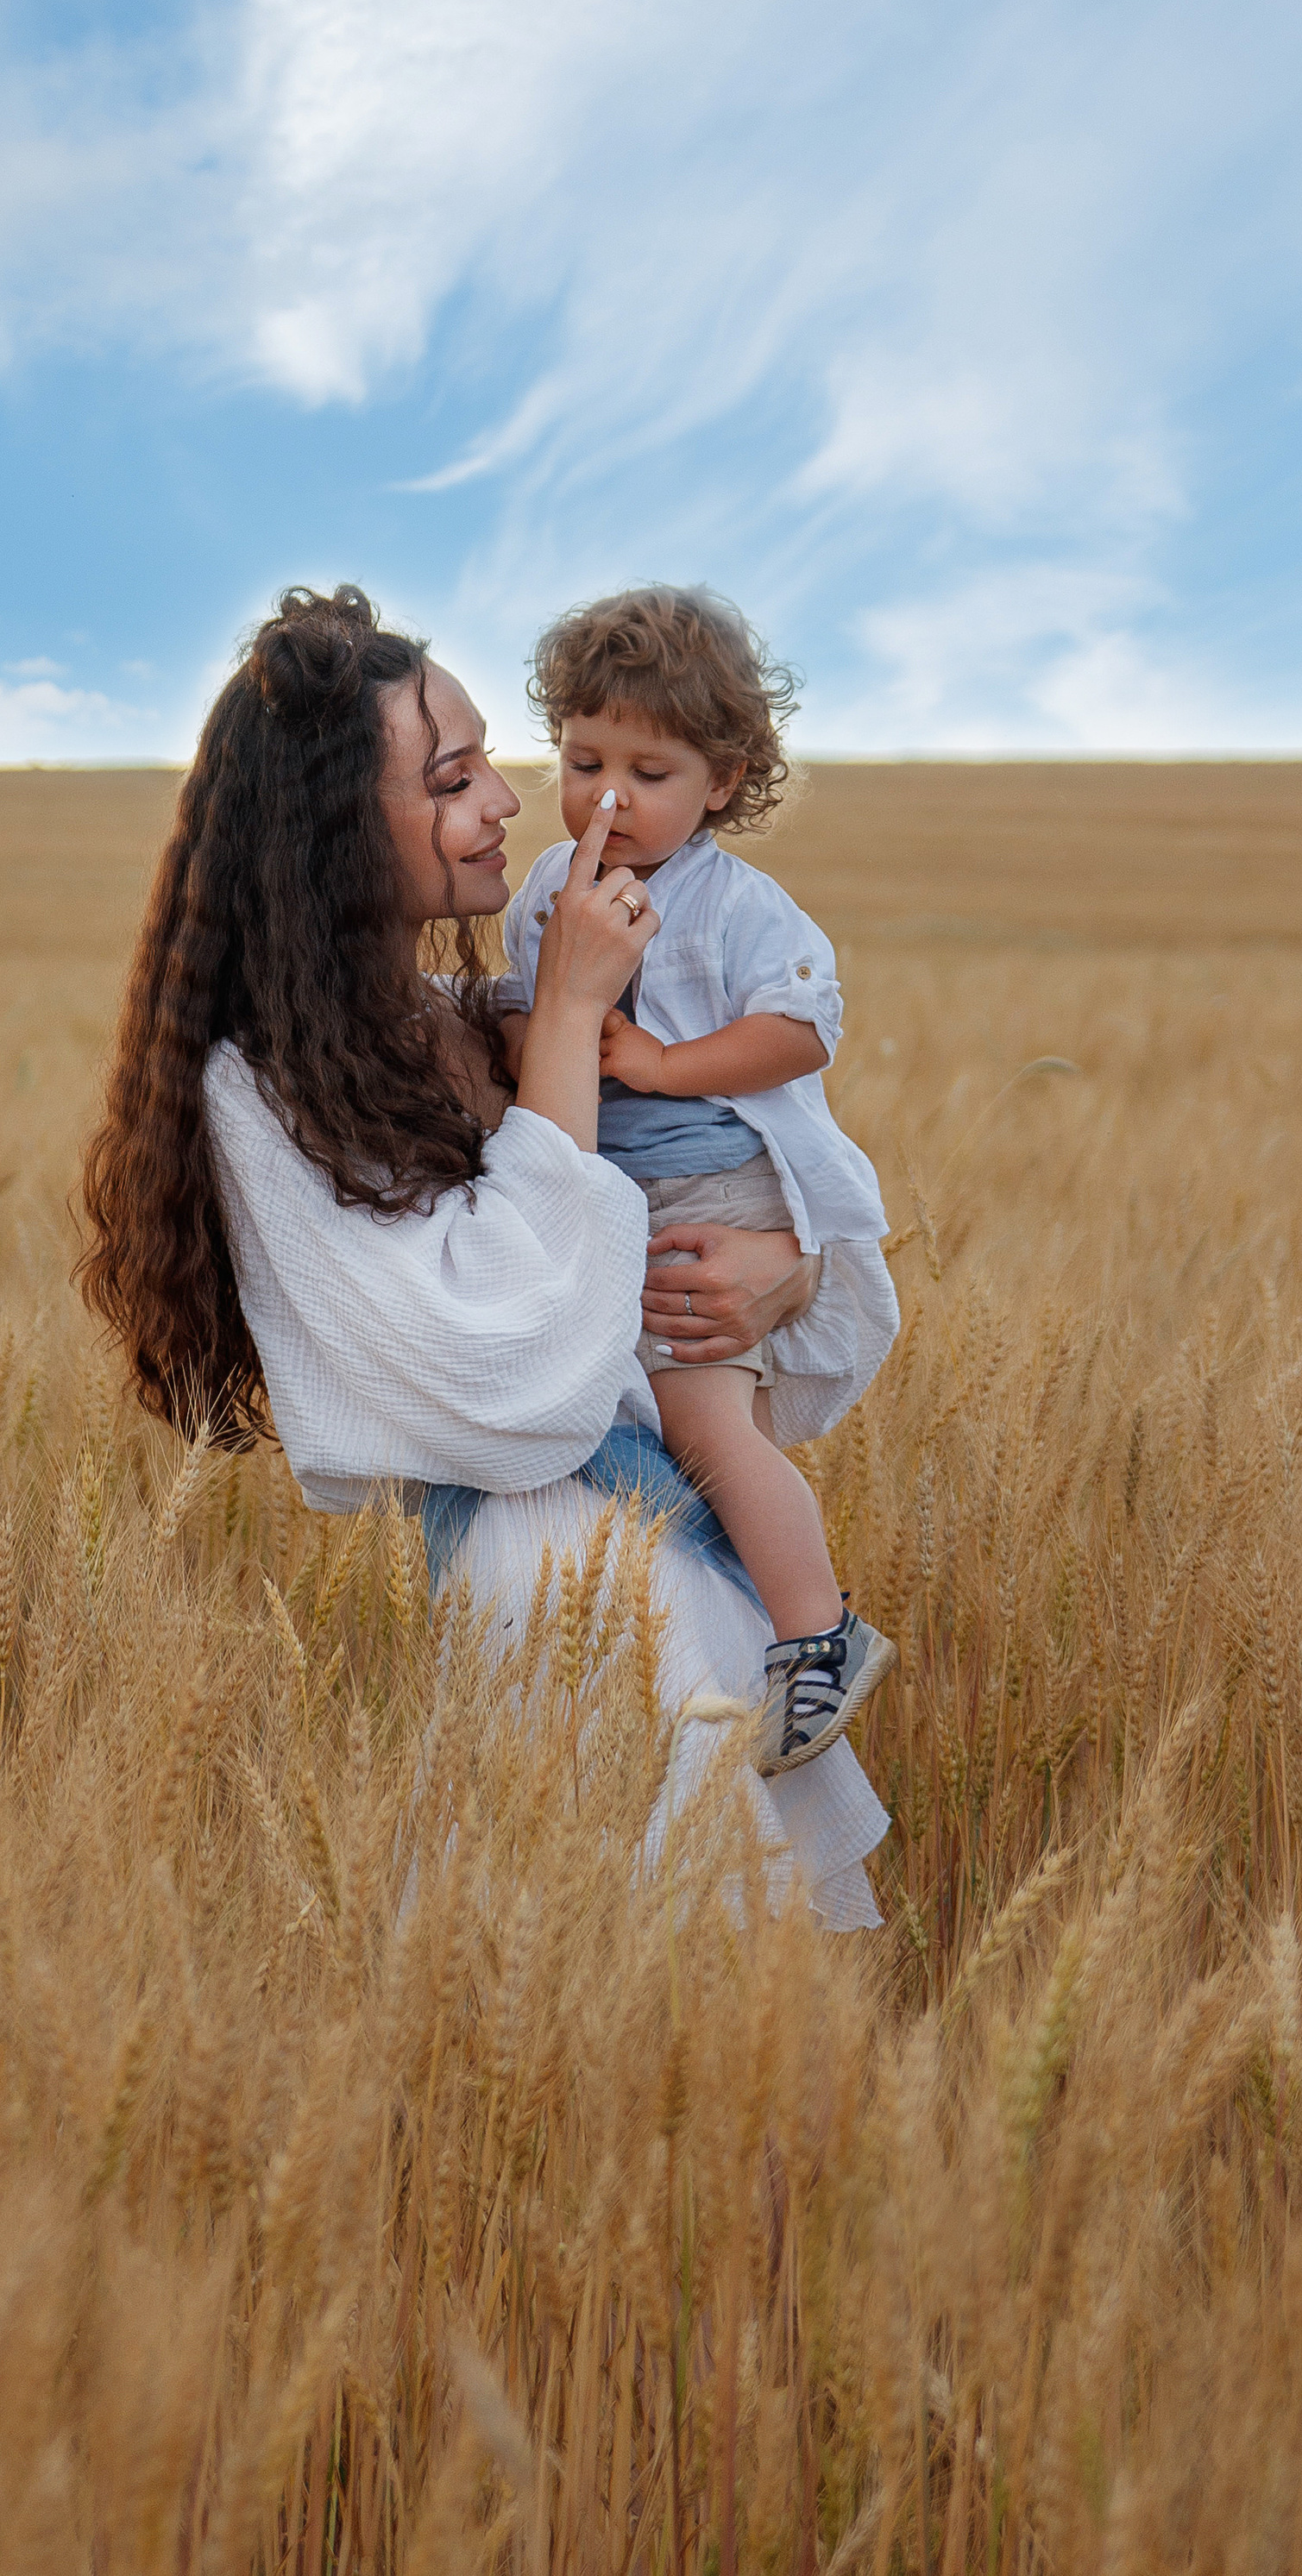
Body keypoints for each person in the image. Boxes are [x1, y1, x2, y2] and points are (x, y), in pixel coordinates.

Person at [77, 583, 888, 1930]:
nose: (515, 803)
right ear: (337, 836)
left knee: (757, 2041)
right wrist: (570, 1007)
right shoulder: (264, 1093)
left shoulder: (465, 1025)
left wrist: (786, 1270)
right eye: (454, 779)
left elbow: (739, 1167)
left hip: (672, 1552)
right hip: (558, 1587)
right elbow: (512, 1361)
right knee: (634, 2007)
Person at [497, 586, 899, 1774]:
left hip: (711, 1188)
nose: (606, 799)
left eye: (650, 773)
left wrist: (669, 1062)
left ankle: (817, 1632)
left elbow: (801, 1030)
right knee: (634, 1428)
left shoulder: (734, 904)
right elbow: (526, 1019)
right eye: (582, 761)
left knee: (703, 1425)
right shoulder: (545, 891)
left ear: (723, 780)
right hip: (608, 1187)